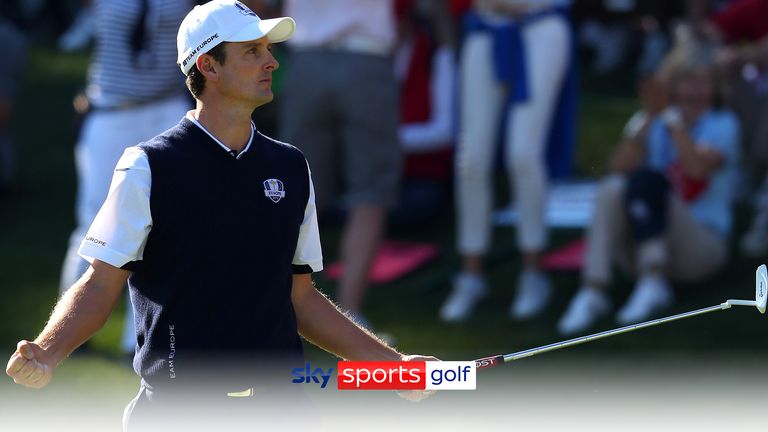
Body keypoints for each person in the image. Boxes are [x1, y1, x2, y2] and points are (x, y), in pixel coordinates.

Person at [6, 1, 435, 428]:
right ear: (208, 66)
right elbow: (101, 283)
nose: (271, 61)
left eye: (268, 49)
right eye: (252, 52)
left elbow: (300, 298)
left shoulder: (290, 166)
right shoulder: (147, 166)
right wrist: (46, 351)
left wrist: (393, 366)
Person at [557, 28, 741, 335]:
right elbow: (616, 169)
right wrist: (649, 120)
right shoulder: (652, 120)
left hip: (699, 249)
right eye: (688, 81)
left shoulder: (723, 124)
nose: (696, 90)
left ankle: (653, 280)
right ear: (673, 84)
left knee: (653, 182)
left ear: (716, 87)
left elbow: (697, 170)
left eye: (705, 82)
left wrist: (670, 118)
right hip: (641, 245)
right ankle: (594, 288)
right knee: (613, 189)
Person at [58, 0, 193, 357]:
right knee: (92, 224)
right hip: (110, 110)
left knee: (159, 227)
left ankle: (141, 338)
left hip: (167, 109)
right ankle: (69, 333)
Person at [441, 0, 574, 322]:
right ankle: (471, 275)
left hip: (541, 25)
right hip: (487, 27)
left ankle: (533, 273)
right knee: (471, 159)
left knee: (523, 154)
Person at [279, 0, 401, 328]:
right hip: (366, 60)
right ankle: (350, 315)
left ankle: (279, 308)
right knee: (370, 193)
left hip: (307, 61)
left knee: (291, 191)